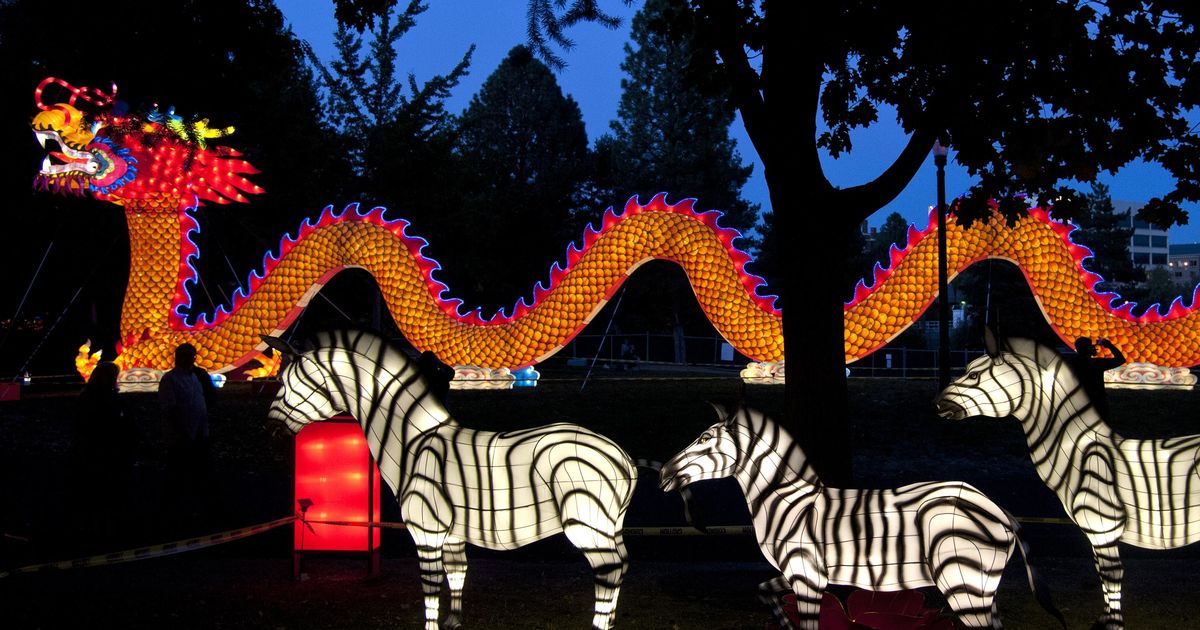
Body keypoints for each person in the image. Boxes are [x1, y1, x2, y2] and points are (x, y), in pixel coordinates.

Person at [72, 361, 136, 545]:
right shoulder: (91, 399)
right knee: (101, 493)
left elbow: (129, 423)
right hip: (100, 454)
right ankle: (99, 533)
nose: (113, 380)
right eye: (110, 376)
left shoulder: (114, 398)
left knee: (112, 494)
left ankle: (110, 530)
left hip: (114, 453)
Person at [158, 343, 211, 526]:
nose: (190, 359)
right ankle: (173, 514)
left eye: (192, 356)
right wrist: (182, 432)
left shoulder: (195, 377)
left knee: (198, 474)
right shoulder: (170, 379)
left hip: (199, 435)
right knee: (178, 474)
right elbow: (169, 409)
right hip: (180, 438)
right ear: (178, 357)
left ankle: (196, 510)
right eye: (186, 356)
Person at [1069, 336, 1126, 419]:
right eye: (1091, 346)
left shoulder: (1072, 361)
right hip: (1097, 400)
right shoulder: (1097, 363)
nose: (1094, 348)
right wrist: (1110, 346)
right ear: (1086, 349)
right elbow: (1121, 360)